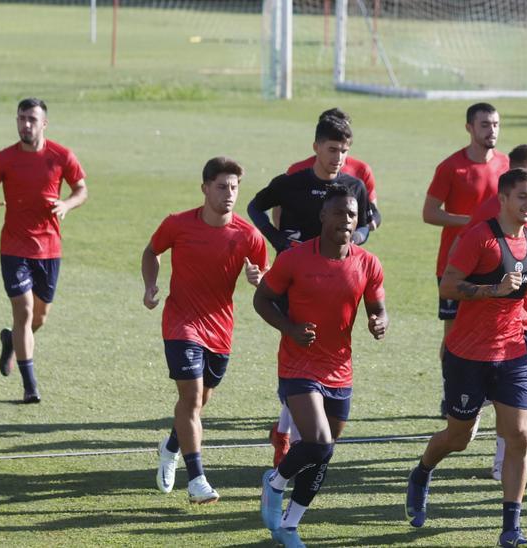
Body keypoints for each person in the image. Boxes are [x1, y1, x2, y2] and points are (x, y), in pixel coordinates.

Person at [405, 168, 527, 548]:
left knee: (519, 435)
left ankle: (510, 530)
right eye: (521, 196)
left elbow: (519, 290)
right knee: (459, 437)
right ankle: (421, 472)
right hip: (467, 355)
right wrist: (493, 289)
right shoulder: (479, 237)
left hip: (512, 351)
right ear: (502, 198)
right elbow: (449, 286)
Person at [255, 185, 387, 548]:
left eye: (352, 213)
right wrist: (290, 329)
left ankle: (289, 526)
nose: (346, 219)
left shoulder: (367, 263)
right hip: (299, 364)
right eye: (339, 212)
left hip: (340, 369)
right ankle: (275, 483)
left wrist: (380, 321)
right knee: (319, 442)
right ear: (323, 216)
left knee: (321, 454)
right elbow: (262, 299)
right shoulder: (295, 259)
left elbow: (377, 306)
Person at [250, 115, 374, 466]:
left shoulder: (353, 187)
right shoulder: (293, 183)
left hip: (335, 280)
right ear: (316, 147)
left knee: (322, 351)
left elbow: (364, 224)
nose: (338, 157)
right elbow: (255, 206)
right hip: (294, 280)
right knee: (299, 349)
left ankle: (289, 432)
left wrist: (356, 241)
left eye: (344, 151)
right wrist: (275, 239)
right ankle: (289, 435)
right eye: (332, 149)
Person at [143, 157, 267, 504]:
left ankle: (170, 447)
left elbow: (265, 274)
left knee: (197, 402)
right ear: (205, 189)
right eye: (221, 186)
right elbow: (152, 251)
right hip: (180, 322)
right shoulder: (178, 225)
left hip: (220, 330)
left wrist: (259, 280)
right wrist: (150, 286)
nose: (229, 194)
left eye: (234, 187)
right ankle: (196, 480)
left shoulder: (249, 236)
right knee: (192, 398)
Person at [0, 97, 89, 403]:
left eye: (32, 119)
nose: (25, 124)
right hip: (14, 246)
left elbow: (81, 189)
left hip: (50, 249)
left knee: (39, 317)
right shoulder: (3, 159)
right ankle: (30, 386)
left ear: (44, 123)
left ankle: (10, 342)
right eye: (21, 118)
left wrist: (66, 203)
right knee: (24, 311)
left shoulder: (61, 156)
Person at [464, 144, 527, 482]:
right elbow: (471, 262)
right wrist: (496, 287)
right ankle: (476, 410)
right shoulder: (488, 214)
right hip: (495, 319)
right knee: (506, 392)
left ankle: (503, 457)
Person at [422, 103, 509, 418]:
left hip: (494, 264)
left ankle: (488, 393)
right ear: (469, 128)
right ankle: (451, 396)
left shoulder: (506, 164)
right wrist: (473, 221)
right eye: (485, 124)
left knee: (491, 330)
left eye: (496, 124)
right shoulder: (451, 168)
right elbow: (429, 213)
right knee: (454, 334)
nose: (492, 131)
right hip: (454, 264)